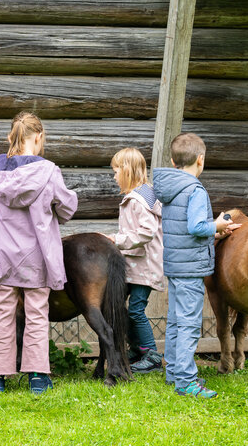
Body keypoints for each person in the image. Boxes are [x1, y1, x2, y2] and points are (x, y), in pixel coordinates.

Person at [0, 111, 77, 395]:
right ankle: (37, 377)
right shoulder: (48, 171)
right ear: (38, 137)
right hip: (37, 255)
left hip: (3, 253)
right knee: (36, 313)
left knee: (2, 313)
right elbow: (67, 208)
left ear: (12, 137)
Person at [151, 133, 239, 399]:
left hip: (176, 265)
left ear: (173, 161)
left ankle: (174, 372)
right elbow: (196, 227)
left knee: (176, 322)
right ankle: (186, 381)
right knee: (189, 324)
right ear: (200, 160)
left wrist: (214, 232)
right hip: (190, 268)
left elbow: (183, 228)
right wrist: (217, 225)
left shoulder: (170, 188)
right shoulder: (195, 190)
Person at [106, 148, 165, 374]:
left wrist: (117, 240)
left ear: (127, 170)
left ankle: (152, 355)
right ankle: (137, 349)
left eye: (116, 171)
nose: (114, 176)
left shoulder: (140, 200)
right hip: (134, 266)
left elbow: (147, 232)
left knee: (136, 310)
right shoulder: (136, 196)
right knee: (124, 308)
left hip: (145, 267)